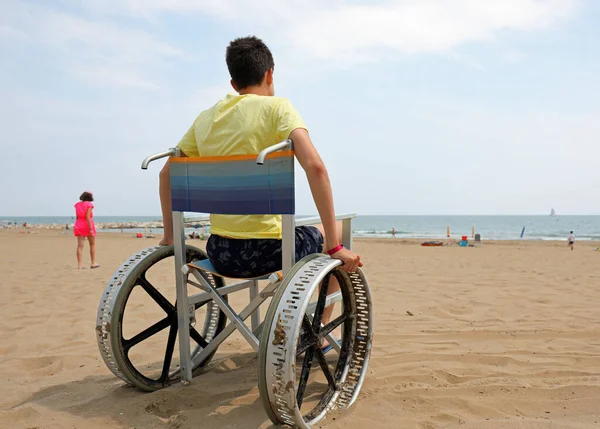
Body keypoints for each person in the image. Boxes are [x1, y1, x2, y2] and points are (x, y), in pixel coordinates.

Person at [158, 36, 362, 347]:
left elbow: (165, 173)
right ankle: (319, 333)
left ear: (233, 81)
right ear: (269, 74)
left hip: (221, 253)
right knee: (330, 231)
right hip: (270, 254)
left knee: (307, 232)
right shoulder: (278, 109)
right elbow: (316, 168)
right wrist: (333, 246)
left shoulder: (205, 118)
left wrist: (170, 239)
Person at [74, 191, 99, 269]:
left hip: (79, 224)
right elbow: (88, 216)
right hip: (87, 224)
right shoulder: (89, 205)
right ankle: (93, 263)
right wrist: (90, 228)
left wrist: (77, 225)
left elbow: (77, 217)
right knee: (92, 244)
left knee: (80, 246)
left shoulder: (77, 205)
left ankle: (80, 265)